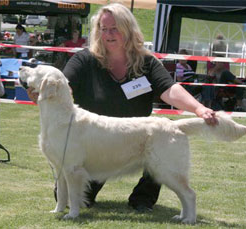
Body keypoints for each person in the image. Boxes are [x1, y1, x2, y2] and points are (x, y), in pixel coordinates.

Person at [27, 3, 217, 212]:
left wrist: (199, 109)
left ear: (128, 29)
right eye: (103, 28)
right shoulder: (85, 59)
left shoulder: (147, 62)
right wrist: (42, 91)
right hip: (95, 143)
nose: (108, 34)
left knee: (159, 143)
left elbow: (169, 90)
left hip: (134, 137)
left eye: (114, 28)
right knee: (79, 199)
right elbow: (64, 85)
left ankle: (142, 200)